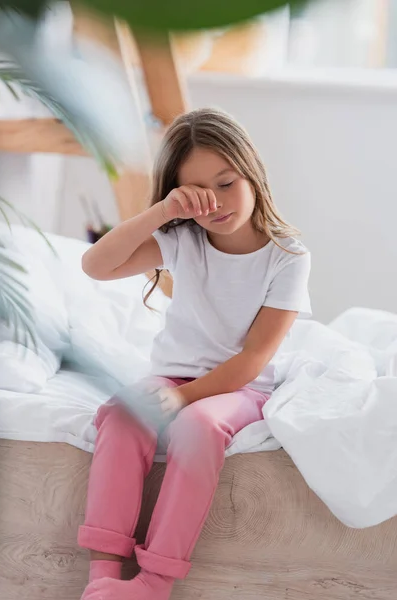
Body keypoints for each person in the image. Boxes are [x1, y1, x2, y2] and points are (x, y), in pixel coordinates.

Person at [78, 108, 311, 600]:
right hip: (172, 376)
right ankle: (102, 577)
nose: (217, 204)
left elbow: (251, 360)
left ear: (251, 172)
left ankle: (155, 581)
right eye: (199, 195)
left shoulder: (287, 256)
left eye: (227, 184)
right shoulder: (182, 240)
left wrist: (185, 402)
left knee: (199, 428)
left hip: (241, 387)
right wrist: (163, 212)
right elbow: (95, 265)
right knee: (122, 416)